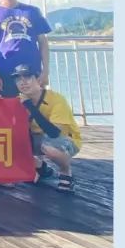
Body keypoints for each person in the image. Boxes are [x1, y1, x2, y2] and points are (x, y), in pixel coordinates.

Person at [11, 64, 81, 193]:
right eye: (18, 79)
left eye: (27, 77)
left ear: (38, 79)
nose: (23, 82)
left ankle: (66, 172)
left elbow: (54, 133)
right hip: (37, 139)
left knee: (50, 149)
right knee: (8, 143)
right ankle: (40, 166)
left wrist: (30, 106)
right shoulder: (18, 101)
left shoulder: (56, 99)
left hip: (63, 140)